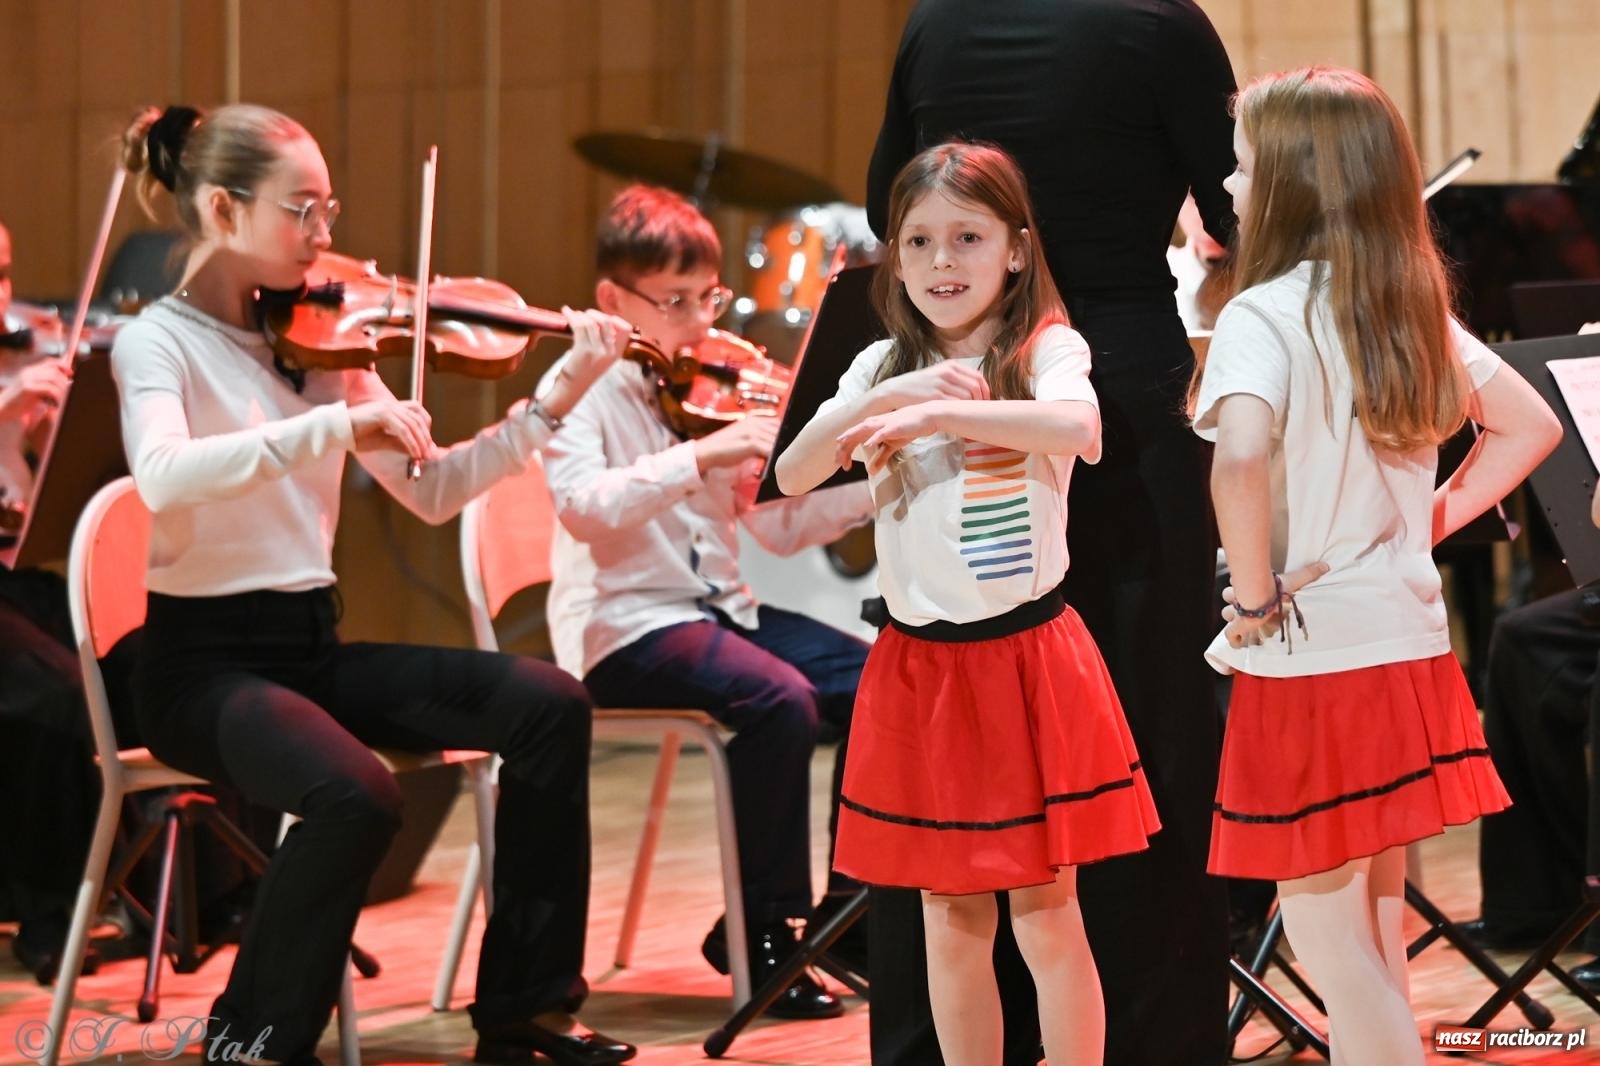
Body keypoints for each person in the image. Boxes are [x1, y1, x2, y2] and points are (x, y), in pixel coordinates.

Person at [110, 103, 636, 1066]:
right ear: (223, 209)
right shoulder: (159, 343)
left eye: (330, 209)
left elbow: (433, 492)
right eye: (300, 210)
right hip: (198, 671)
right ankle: (251, 1043)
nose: (324, 235)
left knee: (550, 704)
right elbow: (164, 474)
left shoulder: (324, 342)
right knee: (358, 794)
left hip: (309, 648)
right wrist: (334, 426)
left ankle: (526, 1006)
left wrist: (553, 399)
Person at [862, 3, 1239, 1062]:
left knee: (953, 720)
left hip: (959, 368)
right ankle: (1148, 1041)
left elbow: (887, 195)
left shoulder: (937, 20)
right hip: (1115, 388)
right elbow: (1236, 205)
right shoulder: (1159, 21)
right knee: (1140, 725)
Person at [1191, 67, 1562, 1064]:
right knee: (1376, 931)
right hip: (1403, 644)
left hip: (1308, 659)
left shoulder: (1262, 314)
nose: (1226, 184)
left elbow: (1236, 461)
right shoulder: (1402, 304)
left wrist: (1254, 598)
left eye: (1242, 165)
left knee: (1332, 944)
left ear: (1293, 182)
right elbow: (1529, 424)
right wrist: (1421, 523)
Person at [775, 141, 1160, 1066]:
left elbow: (1081, 429)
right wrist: (894, 395)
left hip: (1025, 663)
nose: (941, 261)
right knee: (950, 920)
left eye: (968, 238)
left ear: (1017, 249)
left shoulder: (1045, 347)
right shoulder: (879, 364)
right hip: (922, 671)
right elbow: (792, 473)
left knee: (1046, 913)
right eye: (918, 241)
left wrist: (943, 413)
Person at [535, 184, 876, 1018]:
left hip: (723, 610)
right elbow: (583, 507)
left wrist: (876, 481)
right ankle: (758, 931)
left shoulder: (715, 381)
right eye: (675, 301)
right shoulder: (579, 387)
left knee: (881, 682)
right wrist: (700, 457)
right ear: (614, 298)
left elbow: (779, 529)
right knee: (779, 701)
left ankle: (849, 913)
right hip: (625, 626)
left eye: (707, 299)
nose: (697, 322)